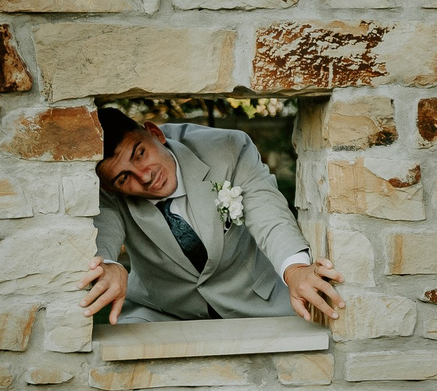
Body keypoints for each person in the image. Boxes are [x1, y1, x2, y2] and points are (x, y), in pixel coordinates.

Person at [80, 106, 344, 325]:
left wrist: (295, 269)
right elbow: (103, 230)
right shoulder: (107, 186)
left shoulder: (227, 148)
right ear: (109, 186)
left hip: (258, 302)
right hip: (160, 311)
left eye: (140, 154)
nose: (145, 176)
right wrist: (109, 265)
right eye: (125, 178)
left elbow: (269, 216)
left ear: (155, 133)